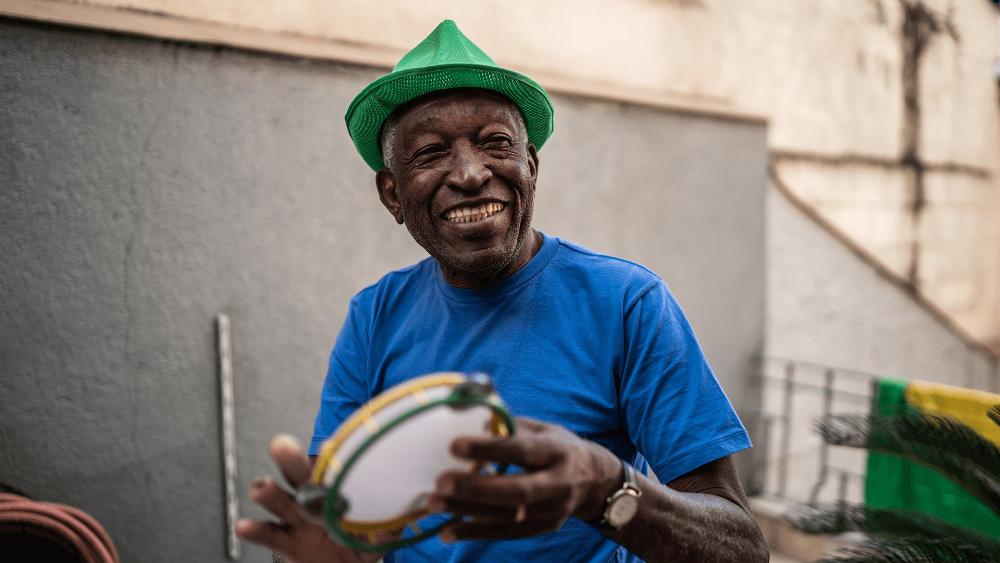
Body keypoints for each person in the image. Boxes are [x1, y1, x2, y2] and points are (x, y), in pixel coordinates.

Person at [236, 20, 768, 563]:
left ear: (530, 167)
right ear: (392, 194)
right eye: (430, 152)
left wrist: (605, 489)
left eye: (495, 143)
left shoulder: (628, 302)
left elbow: (742, 550)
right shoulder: (375, 314)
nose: (469, 173)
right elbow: (338, 524)